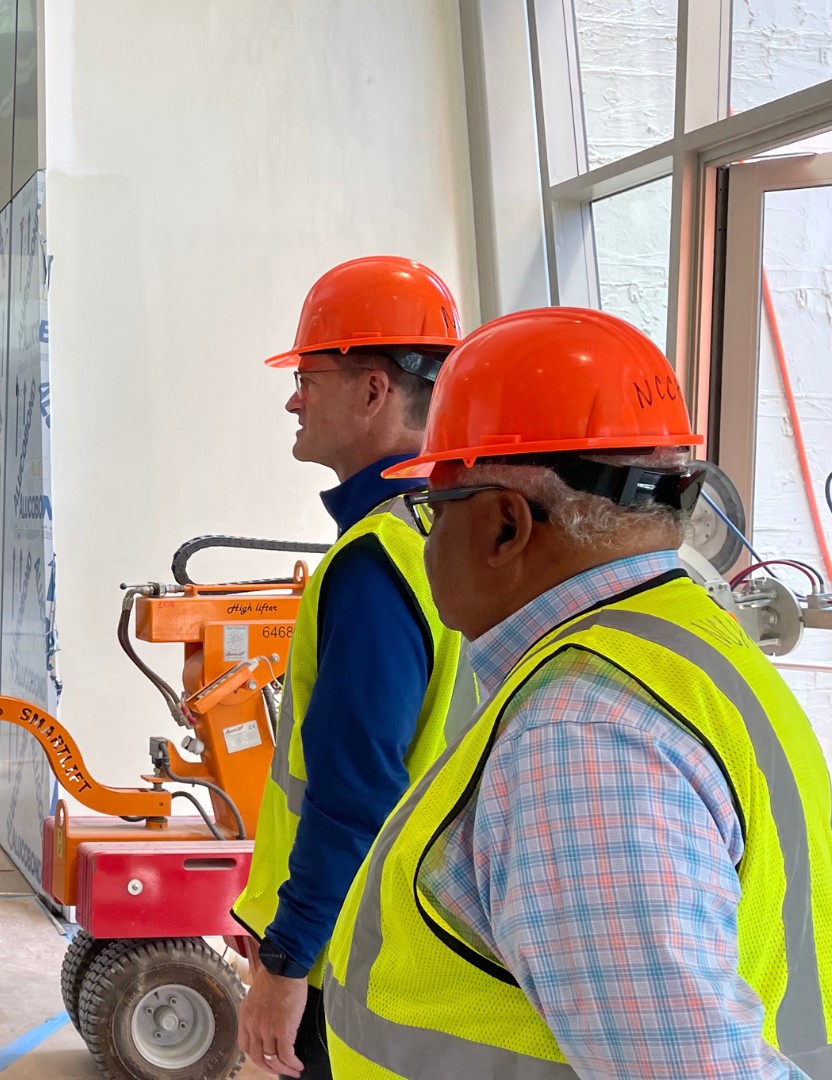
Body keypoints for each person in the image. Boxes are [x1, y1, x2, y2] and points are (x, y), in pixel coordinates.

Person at [322, 307, 832, 1078]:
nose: (426, 541)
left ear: (503, 526)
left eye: (432, 508)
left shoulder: (582, 738)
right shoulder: (688, 643)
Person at [222, 257, 475, 1078]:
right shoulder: (452, 533)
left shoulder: (378, 560)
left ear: (373, 390)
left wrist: (285, 964)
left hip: (348, 949)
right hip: (410, 933)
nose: (294, 398)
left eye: (308, 376)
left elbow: (353, 791)